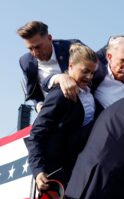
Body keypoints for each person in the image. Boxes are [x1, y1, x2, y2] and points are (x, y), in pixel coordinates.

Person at [26, 43, 98, 190]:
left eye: (92, 73)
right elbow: (37, 133)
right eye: (85, 71)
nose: (89, 77)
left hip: (80, 170)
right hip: (59, 174)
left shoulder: (89, 92)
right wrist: (38, 170)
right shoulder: (60, 94)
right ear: (70, 66)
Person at [17, 21, 82, 112]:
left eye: (38, 47)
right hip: (56, 116)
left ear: (49, 38)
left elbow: (95, 69)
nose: (35, 53)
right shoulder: (26, 62)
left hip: (84, 108)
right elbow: (33, 92)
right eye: (30, 49)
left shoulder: (72, 47)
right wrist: (39, 106)